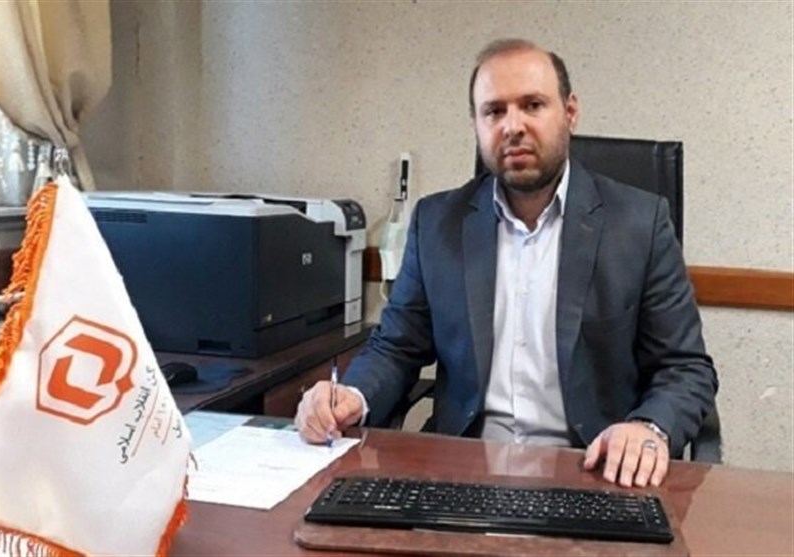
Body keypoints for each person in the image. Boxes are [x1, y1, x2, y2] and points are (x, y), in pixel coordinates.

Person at [295, 38, 718, 488]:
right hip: (463, 473)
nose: (512, 126)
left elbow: (685, 368)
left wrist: (649, 428)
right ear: (476, 125)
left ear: (570, 112)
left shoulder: (639, 223)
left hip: (594, 471)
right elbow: (396, 347)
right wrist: (351, 395)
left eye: (532, 105)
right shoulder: (438, 223)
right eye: (494, 111)